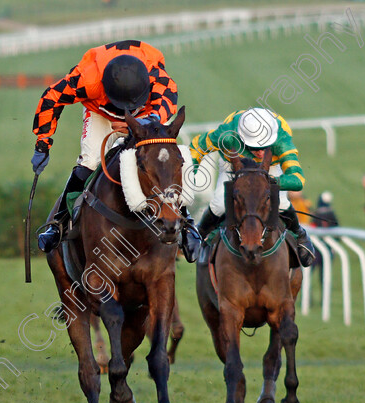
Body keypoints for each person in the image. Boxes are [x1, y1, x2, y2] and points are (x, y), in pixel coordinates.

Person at [30, 39, 201, 262]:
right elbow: (51, 98)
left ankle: (186, 224)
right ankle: (59, 223)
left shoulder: (160, 80)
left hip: (146, 116)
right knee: (89, 162)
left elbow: (165, 108)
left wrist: (140, 125)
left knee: (162, 159)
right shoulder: (86, 79)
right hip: (100, 113)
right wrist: (43, 143)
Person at [189, 108, 315, 267]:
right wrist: (190, 173)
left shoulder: (281, 140)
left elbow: (298, 180)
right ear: (243, 139)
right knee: (220, 203)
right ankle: (199, 234)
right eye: (255, 148)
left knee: (281, 203)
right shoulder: (227, 135)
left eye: (265, 146)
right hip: (233, 161)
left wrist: (267, 182)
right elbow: (196, 146)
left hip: (270, 166)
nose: (261, 152)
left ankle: (300, 234)